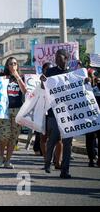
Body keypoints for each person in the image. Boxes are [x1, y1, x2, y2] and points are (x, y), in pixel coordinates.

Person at [41, 49, 83, 178]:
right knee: (52, 140)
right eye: (56, 58)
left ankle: (65, 170)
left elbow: (81, 88)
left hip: (69, 114)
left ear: (67, 58)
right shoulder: (51, 72)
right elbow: (44, 88)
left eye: (60, 58)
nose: (58, 60)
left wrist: (85, 81)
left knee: (67, 143)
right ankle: (47, 163)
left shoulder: (73, 73)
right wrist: (42, 81)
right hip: (54, 113)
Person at [0, 57, 27, 169]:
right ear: (7, 66)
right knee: (5, 134)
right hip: (4, 110)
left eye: (15, 63)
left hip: (17, 109)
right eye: (11, 64)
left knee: (14, 136)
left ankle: (8, 160)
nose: (13, 65)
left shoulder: (21, 77)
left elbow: (25, 91)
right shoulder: (2, 76)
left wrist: (18, 77)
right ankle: (1, 154)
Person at [86, 71, 100, 167]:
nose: (91, 77)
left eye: (92, 75)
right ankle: (91, 159)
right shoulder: (86, 87)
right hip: (89, 117)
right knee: (90, 139)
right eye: (90, 75)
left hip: (99, 116)